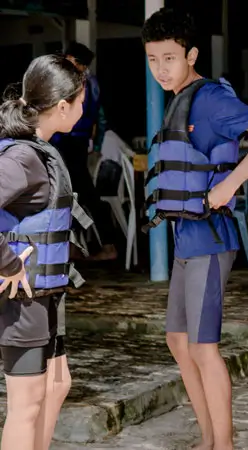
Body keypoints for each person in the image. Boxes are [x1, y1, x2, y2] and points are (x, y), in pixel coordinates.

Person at [142, 8, 248, 450]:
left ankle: (222, 443)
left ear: (192, 55)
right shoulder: (178, 99)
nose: (161, 69)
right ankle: (210, 437)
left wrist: (228, 184)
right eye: (152, 59)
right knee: (177, 339)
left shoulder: (210, 99)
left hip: (210, 238)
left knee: (204, 347)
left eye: (169, 58)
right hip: (187, 237)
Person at [0, 54, 89, 450]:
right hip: (22, 300)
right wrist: (7, 262)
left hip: (43, 297)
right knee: (26, 404)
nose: (85, 109)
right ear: (63, 106)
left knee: (56, 385)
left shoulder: (37, 150)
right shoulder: (24, 158)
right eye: (82, 101)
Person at [50, 41, 116, 262]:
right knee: (78, 194)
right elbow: (100, 120)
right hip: (75, 143)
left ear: (77, 63)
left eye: (67, 60)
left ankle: (97, 245)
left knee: (76, 194)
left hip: (69, 143)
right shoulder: (91, 83)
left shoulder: (80, 84)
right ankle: (80, 246)